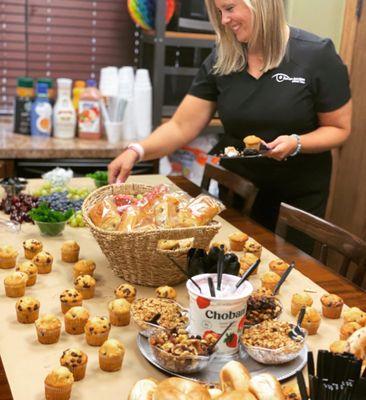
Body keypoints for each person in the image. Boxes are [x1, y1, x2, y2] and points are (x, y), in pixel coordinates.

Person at [108, 0, 352, 253]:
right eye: (219, 12)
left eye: (230, 8)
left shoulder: (317, 55)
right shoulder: (224, 56)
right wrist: (136, 150)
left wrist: (296, 143)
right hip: (238, 194)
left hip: (297, 200)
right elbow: (181, 126)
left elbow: (339, 129)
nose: (224, 20)